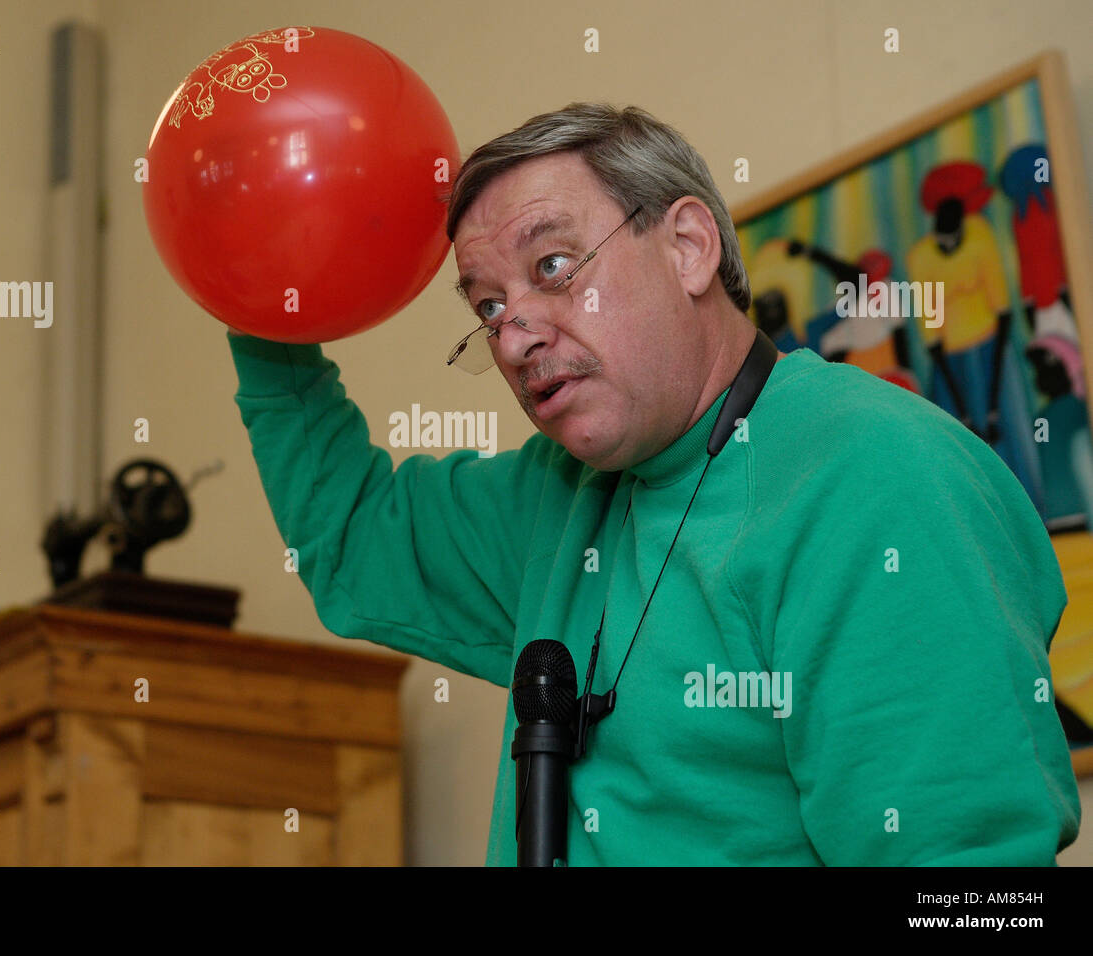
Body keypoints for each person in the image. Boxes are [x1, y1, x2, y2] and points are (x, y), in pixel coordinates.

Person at [226, 103, 1079, 865]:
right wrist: (259, 290)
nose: (515, 334)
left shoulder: (876, 479)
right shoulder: (557, 496)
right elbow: (350, 534)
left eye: (554, 267)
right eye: (486, 307)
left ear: (688, 247)